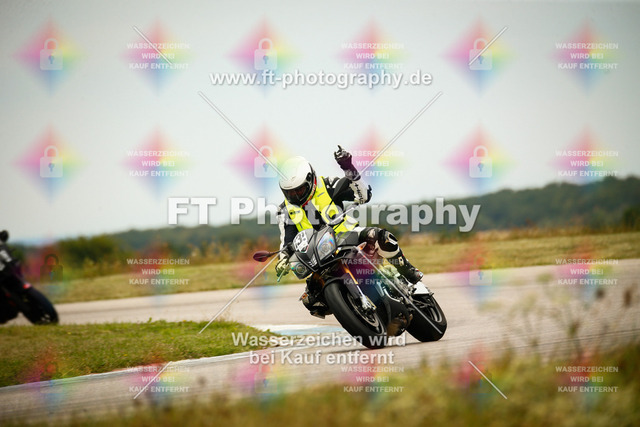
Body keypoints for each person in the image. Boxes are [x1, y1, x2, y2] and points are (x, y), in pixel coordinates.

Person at [275, 146, 424, 318]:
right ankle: (349, 307)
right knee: (311, 300)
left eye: (299, 190)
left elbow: (363, 196)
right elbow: (286, 241)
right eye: (290, 192)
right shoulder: (284, 210)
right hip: (318, 255)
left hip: (347, 236)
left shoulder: (327, 185)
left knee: (379, 236)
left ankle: (408, 271)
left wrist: (349, 168)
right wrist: (283, 259)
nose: (295, 195)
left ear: (310, 180)